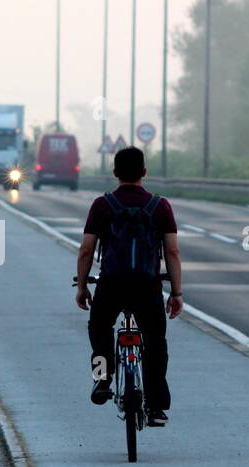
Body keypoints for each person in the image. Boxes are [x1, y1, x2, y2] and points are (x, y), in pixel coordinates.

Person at [75, 146, 183, 426]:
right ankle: (157, 404)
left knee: (99, 329)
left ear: (115, 173)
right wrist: (176, 293)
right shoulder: (160, 206)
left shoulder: (102, 205)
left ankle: (102, 380)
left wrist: (83, 286)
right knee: (155, 342)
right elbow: (172, 252)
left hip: (112, 285)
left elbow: (86, 250)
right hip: (147, 287)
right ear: (144, 173)